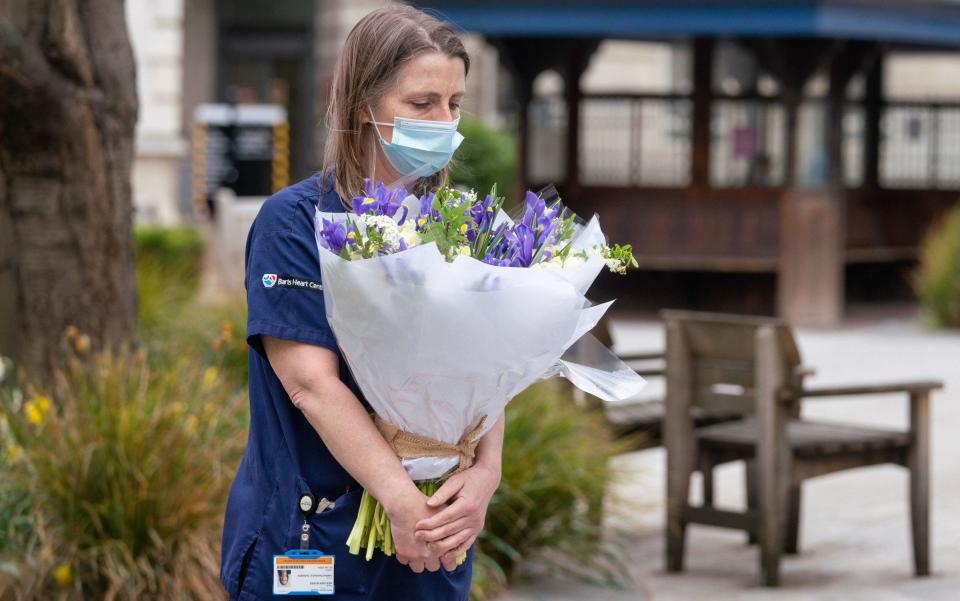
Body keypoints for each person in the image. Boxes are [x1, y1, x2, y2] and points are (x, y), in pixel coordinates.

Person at [219, 6, 504, 600]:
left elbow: (488, 367)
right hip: (313, 536)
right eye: (422, 104)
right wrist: (402, 504)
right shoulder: (294, 224)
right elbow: (310, 385)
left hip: (431, 542)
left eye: (454, 104)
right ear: (363, 109)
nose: (444, 121)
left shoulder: (458, 227)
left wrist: (483, 476)